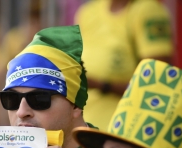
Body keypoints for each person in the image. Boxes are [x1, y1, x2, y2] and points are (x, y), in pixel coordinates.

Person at [74, 0, 174, 130]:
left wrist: (102, 85)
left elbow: (156, 84)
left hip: (124, 136)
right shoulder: (87, 12)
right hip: (85, 132)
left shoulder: (148, 10)